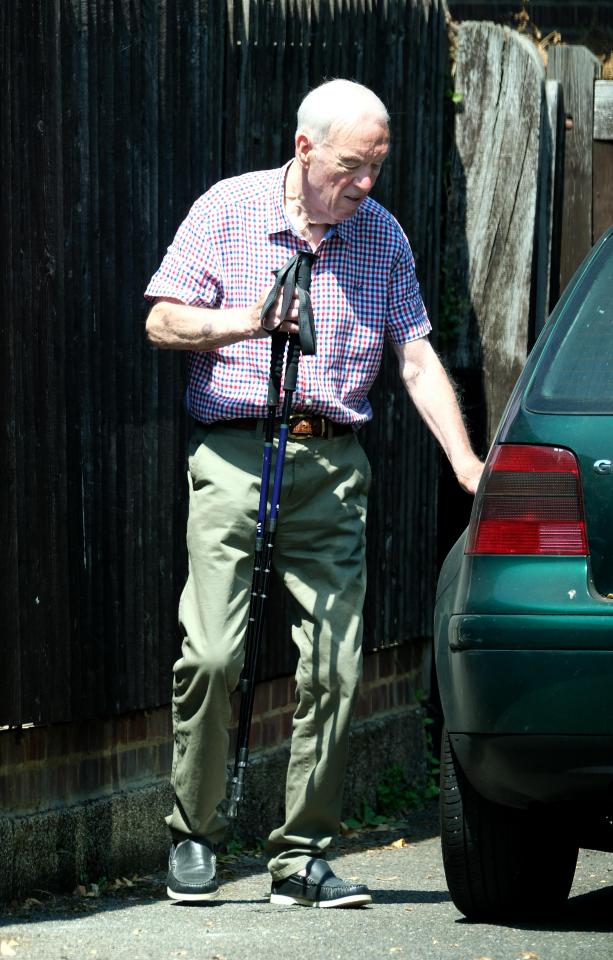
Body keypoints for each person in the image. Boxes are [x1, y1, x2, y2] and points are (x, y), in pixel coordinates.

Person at [144, 78, 483, 909]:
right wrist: (247, 323)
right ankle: (193, 834)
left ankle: (301, 858)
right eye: (350, 167)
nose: (364, 184)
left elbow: (413, 357)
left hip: (332, 466)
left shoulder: (382, 238)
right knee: (215, 655)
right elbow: (160, 319)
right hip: (232, 453)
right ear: (305, 150)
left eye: (376, 167)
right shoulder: (226, 210)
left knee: (333, 668)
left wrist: (466, 462)